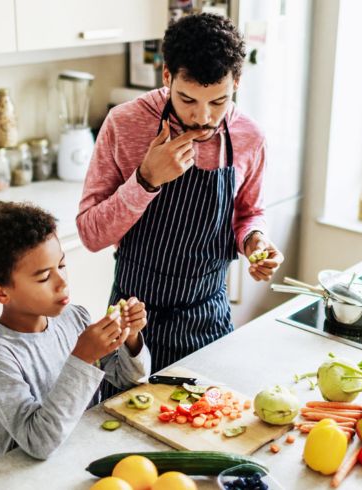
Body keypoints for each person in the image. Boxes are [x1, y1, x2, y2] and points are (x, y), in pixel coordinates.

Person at [77, 13, 284, 393]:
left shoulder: (249, 136)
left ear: (237, 83)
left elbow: (249, 212)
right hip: (132, 326)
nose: (202, 117)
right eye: (188, 99)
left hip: (209, 320)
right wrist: (146, 179)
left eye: (219, 101)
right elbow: (90, 234)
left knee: (209, 433)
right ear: (167, 76)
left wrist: (255, 240)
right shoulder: (124, 124)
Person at [0, 202, 150, 462]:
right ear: (0, 292)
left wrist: (131, 338)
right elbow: (38, 442)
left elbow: (129, 382)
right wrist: (82, 358)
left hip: (80, 458)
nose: (63, 283)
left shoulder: (74, 318)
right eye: (43, 277)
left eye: (61, 266)